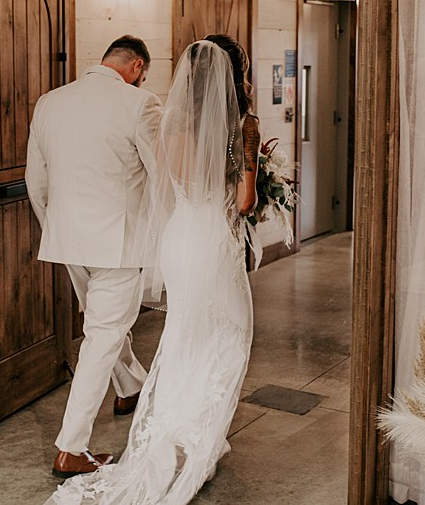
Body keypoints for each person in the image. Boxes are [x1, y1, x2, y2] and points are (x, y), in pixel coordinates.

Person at [47, 35, 261, 504]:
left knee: (180, 335)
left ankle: (158, 413)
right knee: (224, 333)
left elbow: (158, 182)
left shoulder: (59, 103)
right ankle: (84, 446)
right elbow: (243, 200)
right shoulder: (226, 123)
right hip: (186, 238)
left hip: (146, 238)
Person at [26, 35, 163, 479]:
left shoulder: (50, 102)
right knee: (102, 336)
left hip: (68, 240)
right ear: (137, 66)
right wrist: (164, 233)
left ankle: (130, 387)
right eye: (144, 74)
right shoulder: (140, 104)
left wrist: (56, 228)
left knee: (103, 325)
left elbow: (36, 182)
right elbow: (161, 175)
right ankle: (71, 448)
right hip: (117, 244)